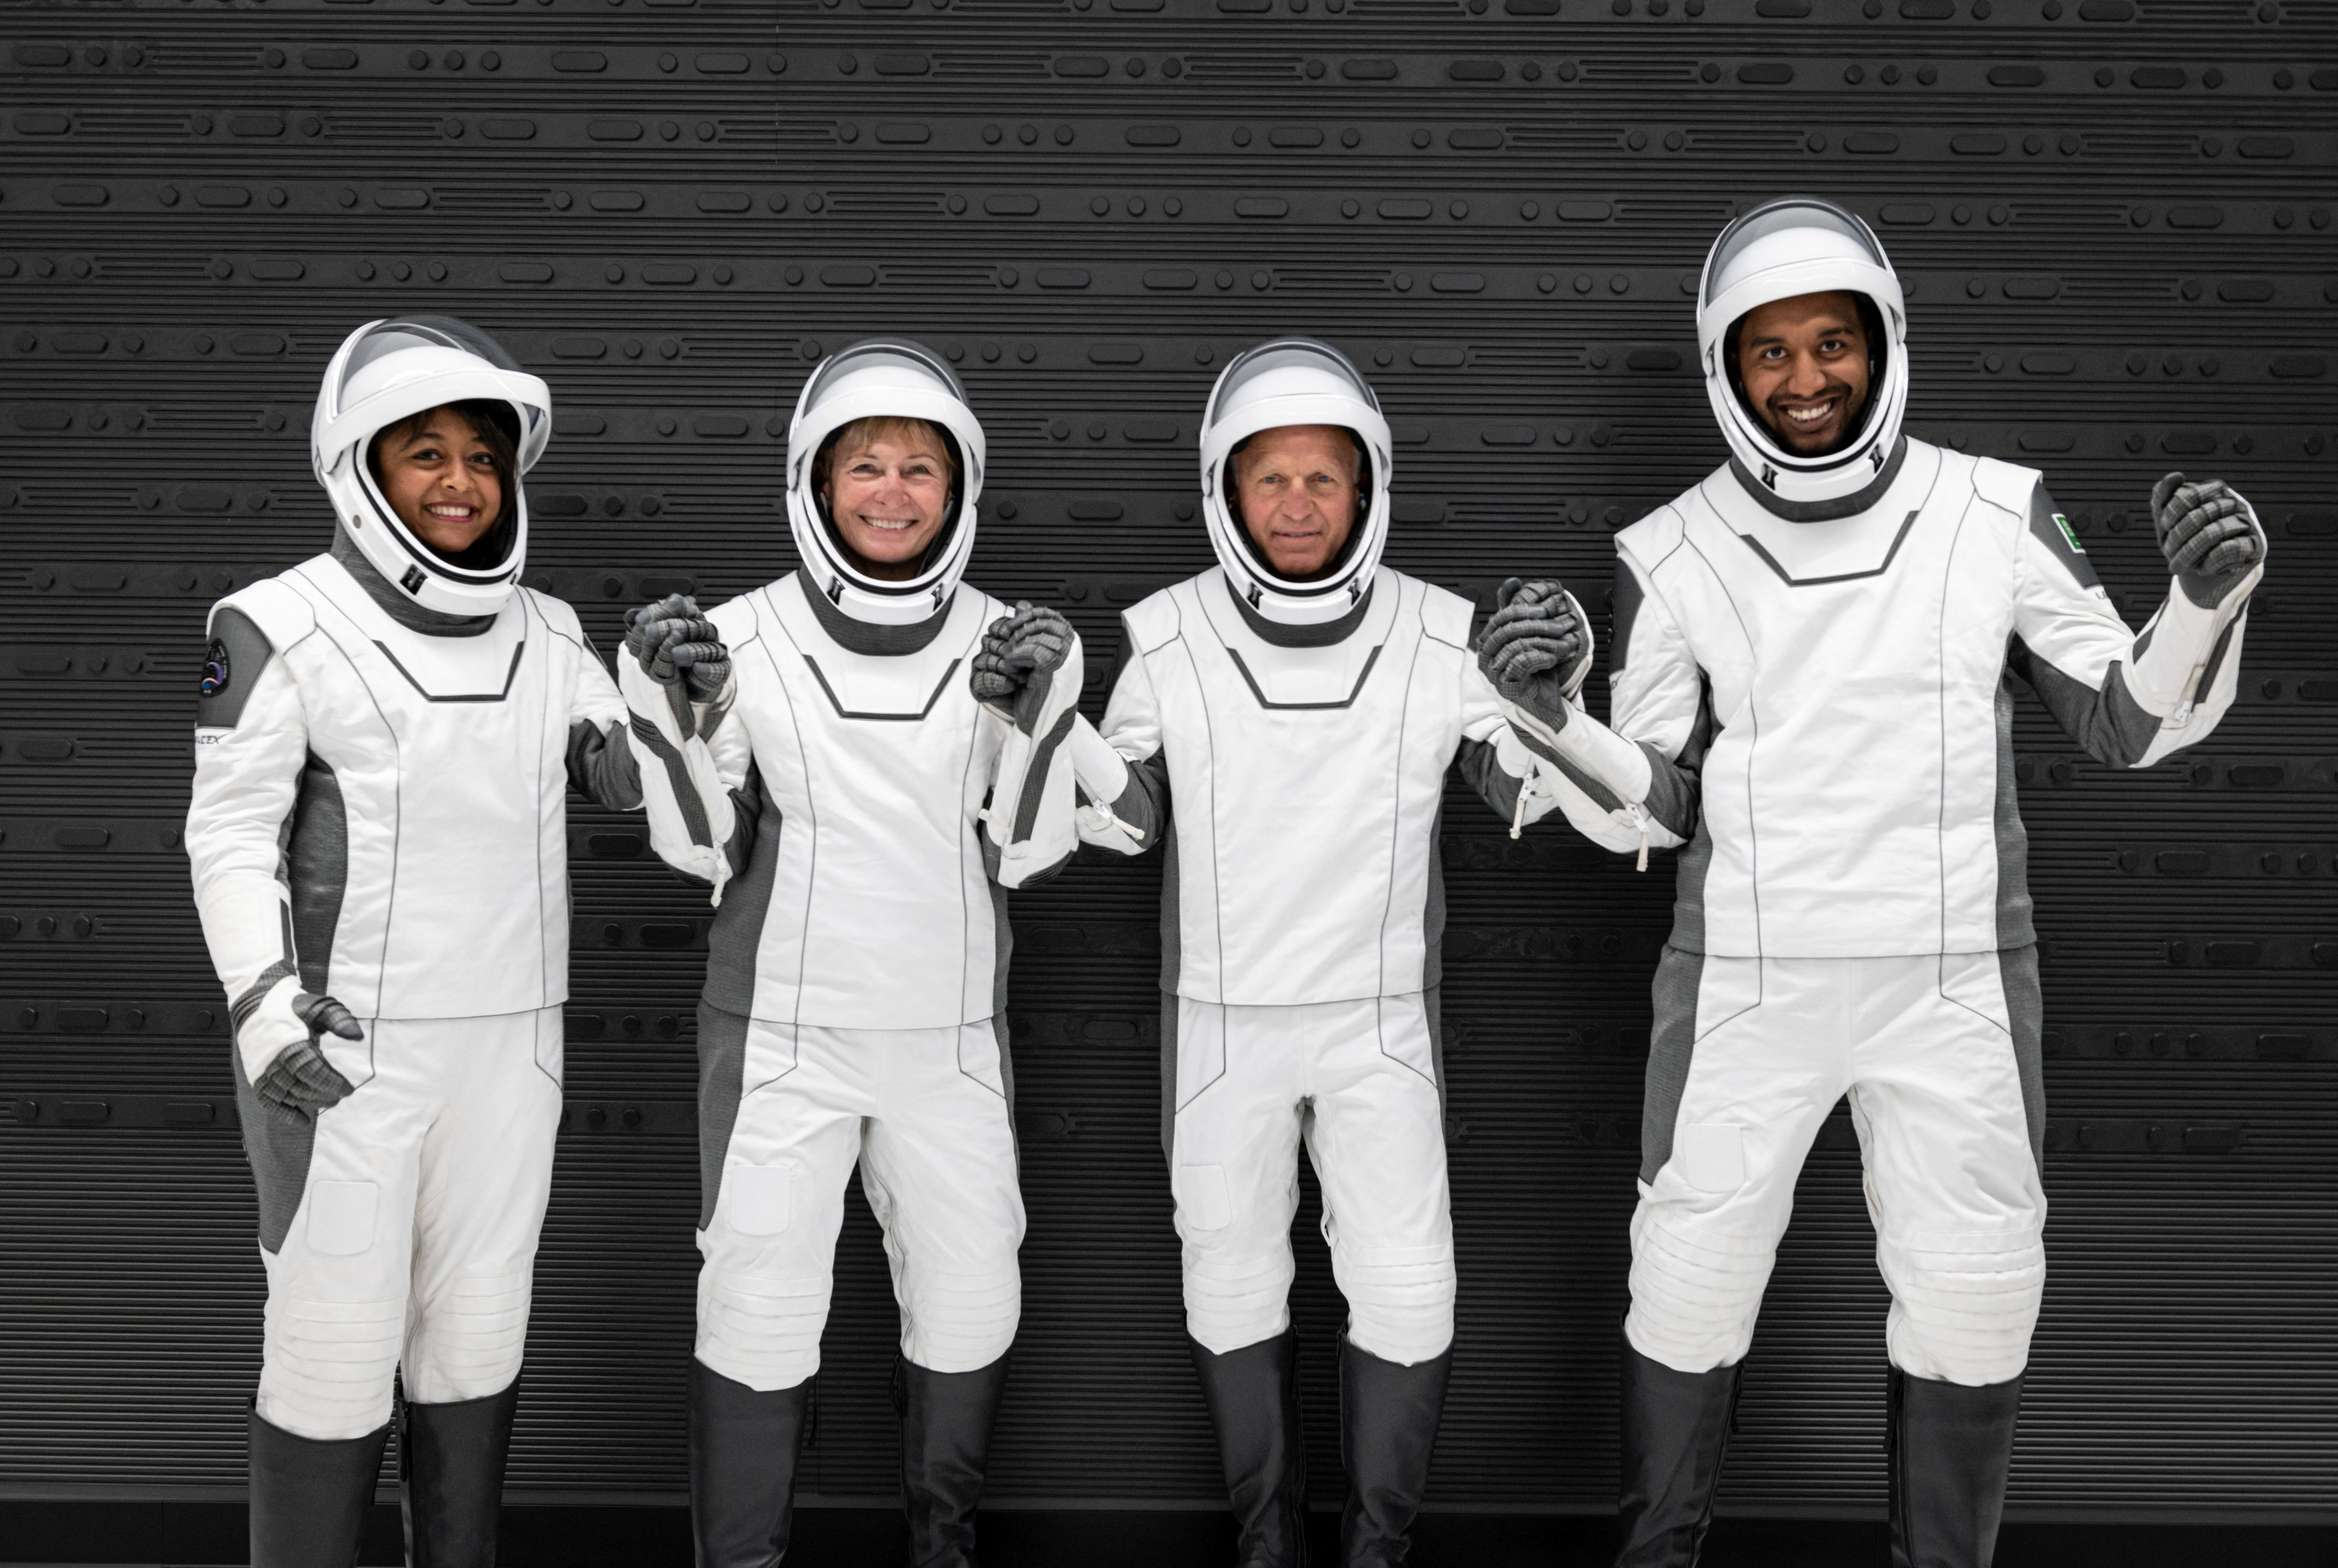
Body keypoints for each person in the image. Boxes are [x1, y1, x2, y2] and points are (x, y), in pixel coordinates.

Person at [1477, 197, 2267, 1568]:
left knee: (1973, 1298)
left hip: (1952, 975)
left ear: (1881, 344)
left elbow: (2126, 722)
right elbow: (1646, 811)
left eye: (1829, 343)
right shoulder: (1670, 549)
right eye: (1767, 353)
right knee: (1683, 1288)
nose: (1803, 379)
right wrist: (1552, 716)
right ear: (1724, 369)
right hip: (1743, 982)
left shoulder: (1991, 508)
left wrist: (2200, 604)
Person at [1012, 338, 1566, 1568]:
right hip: (1221, 1027)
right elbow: (1122, 820)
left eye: (1325, 477)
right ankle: (1267, 1546)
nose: (1300, 504)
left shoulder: (1439, 633)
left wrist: (1552, 701)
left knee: (1410, 1295)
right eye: (1272, 479)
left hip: (1381, 1028)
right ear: (1225, 490)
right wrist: (1056, 722)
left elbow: (1530, 795)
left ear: (1366, 487)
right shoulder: (1161, 637)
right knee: (1228, 1287)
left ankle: (1376, 1550)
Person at [185, 316, 703, 1566]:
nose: (462, 481)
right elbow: (227, 834)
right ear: (357, 466)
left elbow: (628, 784)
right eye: (426, 453)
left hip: (511, 1059)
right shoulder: (274, 623)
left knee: (473, 1350)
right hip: (345, 1057)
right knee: (330, 1358)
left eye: (482, 455)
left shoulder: (549, 628)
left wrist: (672, 696)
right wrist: (263, 1006)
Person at [620, 339, 1079, 1568]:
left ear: (958, 487)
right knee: (758, 1315)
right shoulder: (735, 638)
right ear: (815, 484)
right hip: (782, 1039)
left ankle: (940, 1547)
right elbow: (701, 847)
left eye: (918, 467)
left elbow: (1034, 849)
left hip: (947, 1041)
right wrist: (667, 719)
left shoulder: (1010, 641)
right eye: (864, 465)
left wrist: (1041, 722)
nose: (891, 490)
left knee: (975, 1298)